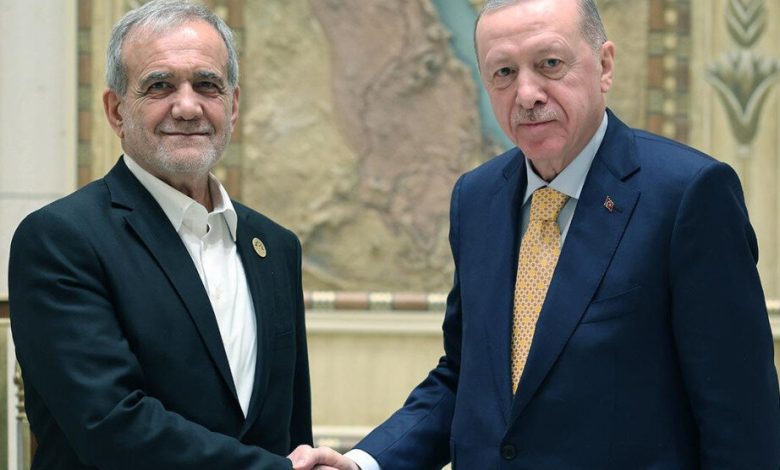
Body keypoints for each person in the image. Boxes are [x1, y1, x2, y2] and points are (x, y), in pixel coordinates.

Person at [290, 0, 780, 468]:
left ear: (604, 66)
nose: (527, 94)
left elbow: (741, 418)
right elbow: (465, 377)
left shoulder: (688, 195)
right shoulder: (476, 198)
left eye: (549, 64)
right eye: (504, 72)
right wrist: (364, 462)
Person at [8, 1, 311, 468]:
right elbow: (110, 426)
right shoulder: (60, 240)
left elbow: (291, 429)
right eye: (159, 85)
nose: (187, 107)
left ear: (232, 106)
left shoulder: (275, 247)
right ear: (116, 111)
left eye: (207, 85)